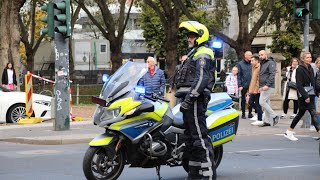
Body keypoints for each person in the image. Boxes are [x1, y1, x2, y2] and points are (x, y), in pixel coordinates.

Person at [178, 21, 216, 180]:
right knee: (191, 140)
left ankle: (208, 176)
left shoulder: (203, 52)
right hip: (189, 99)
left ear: (200, 36)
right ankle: (193, 175)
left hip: (196, 99)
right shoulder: (194, 52)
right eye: (188, 36)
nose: (188, 39)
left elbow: (202, 78)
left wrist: (190, 98)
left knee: (200, 139)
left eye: (192, 36)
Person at [284, 52, 320, 141]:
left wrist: (316, 93)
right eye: (307, 57)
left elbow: (313, 82)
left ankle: (289, 131)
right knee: (313, 113)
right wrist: (305, 96)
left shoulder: (311, 68)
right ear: (303, 59)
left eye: (310, 57)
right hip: (303, 95)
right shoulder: (299, 69)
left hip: (310, 94)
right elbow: (299, 85)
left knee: (301, 114)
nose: (309, 59)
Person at [258, 50, 279, 127]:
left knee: (262, 102)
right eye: (259, 55)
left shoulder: (270, 62)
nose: (260, 56)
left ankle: (274, 116)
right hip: (263, 86)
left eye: (262, 55)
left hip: (268, 86)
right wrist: (260, 87)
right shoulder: (262, 63)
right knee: (266, 102)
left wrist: (267, 85)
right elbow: (262, 75)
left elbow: (272, 74)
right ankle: (266, 121)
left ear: (266, 54)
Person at [237, 51, 253, 119]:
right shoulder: (240, 64)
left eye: (251, 55)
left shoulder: (252, 63)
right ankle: (243, 113)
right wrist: (240, 85)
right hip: (243, 84)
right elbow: (239, 75)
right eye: (249, 55)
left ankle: (250, 113)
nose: (250, 57)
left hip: (251, 84)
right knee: (243, 99)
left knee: (251, 99)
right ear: (245, 56)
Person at [248, 55, 264, 126]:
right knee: (250, 102)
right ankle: (261, 114)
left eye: (252, 60)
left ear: (257, 61)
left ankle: (260, 119)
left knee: (257, 104)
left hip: (256, 89)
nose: (251, 62)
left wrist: (256, 89)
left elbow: (258, 80)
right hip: (253, 88)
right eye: (251, 61)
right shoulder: (253, 67)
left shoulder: (259, 67)